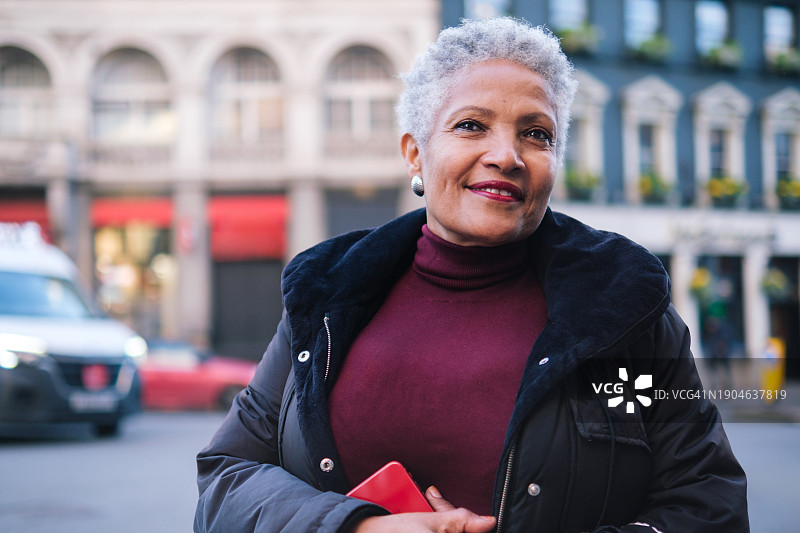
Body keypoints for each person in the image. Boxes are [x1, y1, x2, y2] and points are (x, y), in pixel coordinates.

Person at [194, 17, 748, 533]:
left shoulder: (621, 309)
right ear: (415, 153)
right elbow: (227, 478)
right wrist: (355, 526)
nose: (507, 155)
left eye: (537, 134)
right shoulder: (325, 296)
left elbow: (707, 500)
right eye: (470, 125)